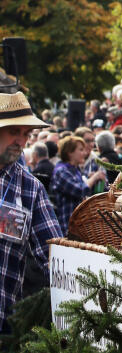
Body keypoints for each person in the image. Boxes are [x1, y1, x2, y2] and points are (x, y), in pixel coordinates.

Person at [0, 92, 62, 336]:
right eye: (14, 132)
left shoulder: (30, 187)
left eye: (25, 134)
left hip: (4, 325)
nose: (21, 141)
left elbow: (52, 255)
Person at [49, 134, 105, 234]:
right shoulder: (62, 171)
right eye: (81, 150)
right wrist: (94, 178)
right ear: (70, 153)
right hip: (67, 227)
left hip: (78, 227)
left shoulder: (75, 169)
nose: (84, 153)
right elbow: (80, 191)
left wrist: (91, 179)